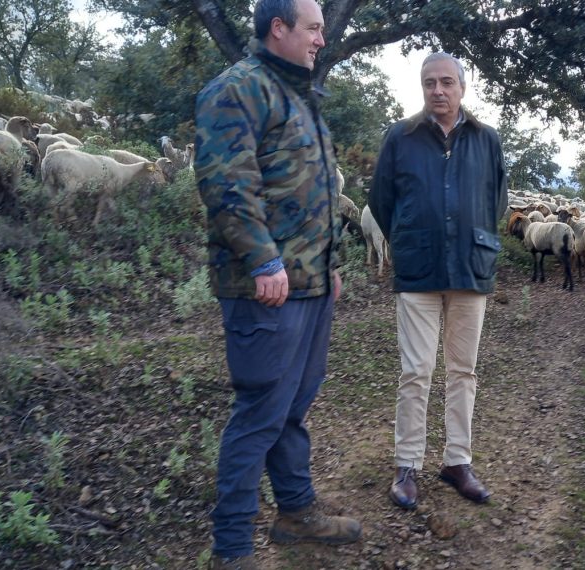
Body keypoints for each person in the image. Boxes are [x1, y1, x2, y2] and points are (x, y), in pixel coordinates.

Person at [193, 0, 360, 567]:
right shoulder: (237, 89)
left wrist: (330, 263)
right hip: (266, 287)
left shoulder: (301, 96)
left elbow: (313, 195)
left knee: (292, 407)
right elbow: (226, 185)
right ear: (278, 28)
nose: (321, 39)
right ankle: (233, 549)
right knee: (260, 410)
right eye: (313, 28)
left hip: (310, 285)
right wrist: (264, 262)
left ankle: (296, 512)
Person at [368, 52, 507, 511]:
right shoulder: (400, 137)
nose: (438, 90)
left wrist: (474, 239)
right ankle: (407, 465)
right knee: (416, 371)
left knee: (463, 371)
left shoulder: (487, 140)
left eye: (447, 82)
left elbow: (497, 202)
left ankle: (457, 462)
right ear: (422, 88)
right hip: (419, 273)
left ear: (463, 87)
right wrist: (410, 240)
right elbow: (382, 202)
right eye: (430, 83)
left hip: (470, 270)